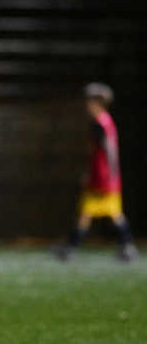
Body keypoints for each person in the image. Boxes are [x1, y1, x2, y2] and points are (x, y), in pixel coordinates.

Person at [54, 83, 137, 262]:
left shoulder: (100, 124)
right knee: (104, 212)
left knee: (99, 213)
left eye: (90, 102)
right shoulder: (105, 122)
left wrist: (107, 175)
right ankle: (126, 246)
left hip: (102, 179)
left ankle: (71, 247)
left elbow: (108, 152)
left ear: (98, 103)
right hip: (102, 177)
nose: (87, 105)